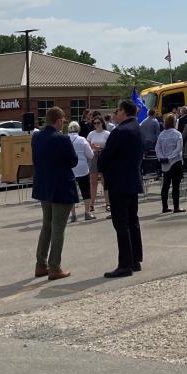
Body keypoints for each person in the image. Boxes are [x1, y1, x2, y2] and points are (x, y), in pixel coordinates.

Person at [30, 107, 77, 279]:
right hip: (61, 187)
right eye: (63, 120)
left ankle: (40, 264)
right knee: (58, 228)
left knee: (46, 226)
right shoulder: (62, 139)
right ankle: (54, 267)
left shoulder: (36, 137)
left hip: (44, 186)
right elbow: (73, 161)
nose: (64, 123)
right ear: (58, 121)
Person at [99, 100, 144, 278]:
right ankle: (135, 260)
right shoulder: (137, 128)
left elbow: (104, 159)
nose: (115, 114)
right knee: (133, 221)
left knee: (121, 224)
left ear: (124, 112)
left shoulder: (119, 132)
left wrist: (103, 163)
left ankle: (125, 264)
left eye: (117, 111)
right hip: (132, 181)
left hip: (119, 183)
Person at [156, 113, 185, 213]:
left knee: (165, 185)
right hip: (175, 162)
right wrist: (170, 157)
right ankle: (176, 207)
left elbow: (157, 148)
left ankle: (165, 207)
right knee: (176, 185)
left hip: (165, 163)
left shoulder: (161, 134)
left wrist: (161, 157)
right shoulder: (177, 134)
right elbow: (179, 148)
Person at [67, 121, 96, 222]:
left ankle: (73, 215)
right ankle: (87, 212)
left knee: (71, 192)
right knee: (85, 191)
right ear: (78, 129)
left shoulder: (65, 139)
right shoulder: (82, 139)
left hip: (69, 168)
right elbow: (90, 155)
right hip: (82, 168)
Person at [87, 112, 111, 212]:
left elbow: (110, 147)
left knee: (104, 181)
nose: (96, 125)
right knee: (93, 182)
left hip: (103, 156)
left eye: (98, 123)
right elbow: (87, 146)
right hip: (94, 156)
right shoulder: (91, 134)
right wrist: (92, 148)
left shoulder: (107, 133)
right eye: (95, 123)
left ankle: (108, 203)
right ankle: (91, 204)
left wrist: (100, 147)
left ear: (102, 123)